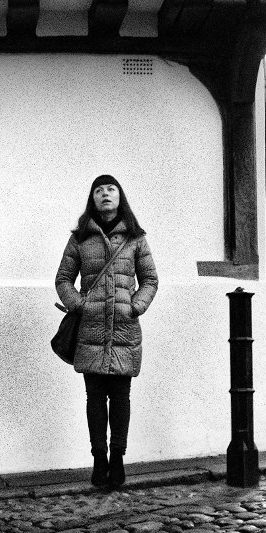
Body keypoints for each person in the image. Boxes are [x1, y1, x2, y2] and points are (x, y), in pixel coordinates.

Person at [55, 175, 158, 488]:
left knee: (122, 396)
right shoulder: (80, 238)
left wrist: (135, 306)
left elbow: (150, 280)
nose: (105, 195)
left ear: (119, 196)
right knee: (95, 399)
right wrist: (79, 305)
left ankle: (118, 458)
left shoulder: (136, 238)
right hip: (91, 330)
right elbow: (63, 279)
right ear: (93, 199)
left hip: (125, 329)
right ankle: (99, 459)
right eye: (99, 191)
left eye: (110, 189)